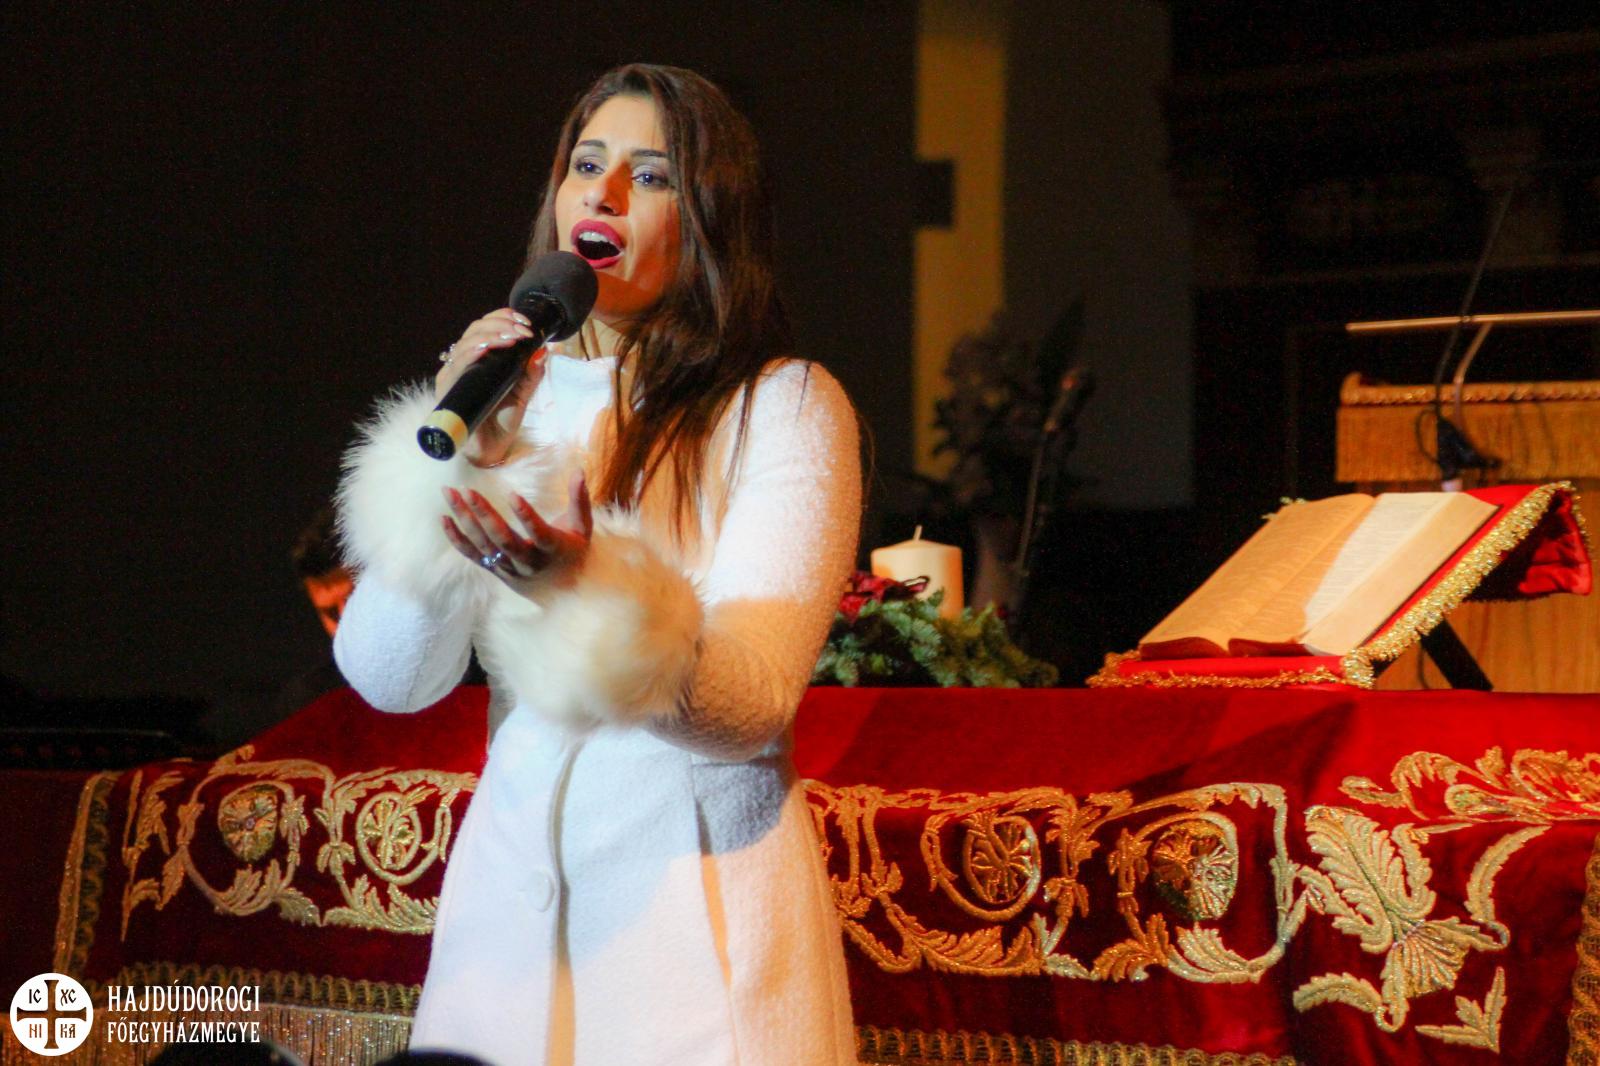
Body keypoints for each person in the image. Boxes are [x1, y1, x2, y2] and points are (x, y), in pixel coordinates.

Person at [333, 64, 861, 1066]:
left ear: (709, 218)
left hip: (692, 935)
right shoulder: (505, 400)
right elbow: (391, 678)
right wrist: (458, 456)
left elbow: (751, 705)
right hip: (506, 934)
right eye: (587, 165)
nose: (604, 194)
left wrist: (580, 587)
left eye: (650, 176)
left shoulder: (783, 405)